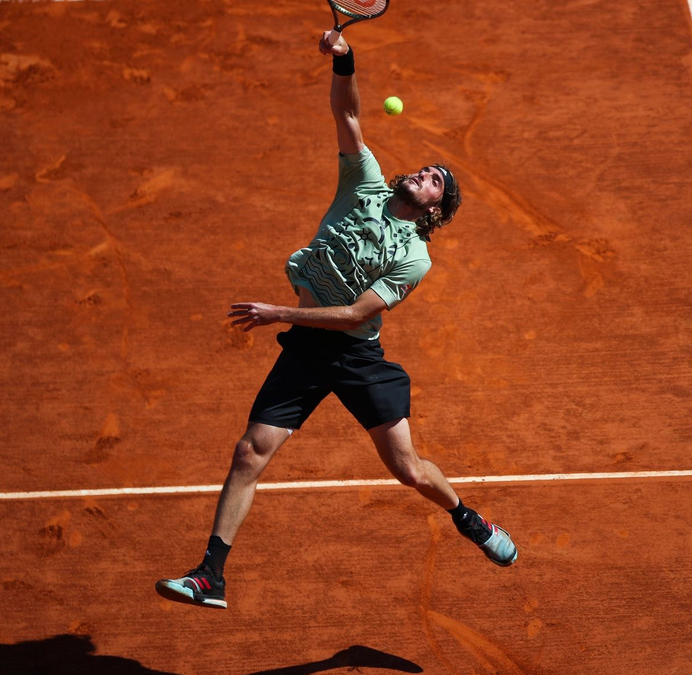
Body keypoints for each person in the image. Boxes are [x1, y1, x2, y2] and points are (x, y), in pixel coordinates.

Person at [155, 30, 517, 610]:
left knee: (408, 470)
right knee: (250, 452)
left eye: (435, 181)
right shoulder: (363, 182)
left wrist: (277, 311)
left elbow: (354, 314)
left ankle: (468, 518)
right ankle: (210, 576)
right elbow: (347, 111)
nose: (424, 173)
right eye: (425, 169)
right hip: (306, 347)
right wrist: (345, 57)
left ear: (434, 211)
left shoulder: (414, 258)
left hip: (353, 355)